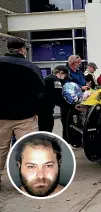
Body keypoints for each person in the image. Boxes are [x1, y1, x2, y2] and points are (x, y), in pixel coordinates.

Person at [0, 37, 44, 189]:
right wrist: (36, 111)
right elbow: (40, 92)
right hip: (25, 116)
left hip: (1, 117)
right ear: (23, 50)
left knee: (0, 149)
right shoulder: (30, 66)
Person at [61, 55, 88, 144]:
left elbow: (83, 81)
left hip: (80, 100)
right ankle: (66, 142)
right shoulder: (66, 72)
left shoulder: (79, 71)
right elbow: (66, 86)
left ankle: (77, 140)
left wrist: (86, 85)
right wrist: (81, 87)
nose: (80, 64)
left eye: (80, 62)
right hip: (69, 102)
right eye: (78, 62)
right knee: (68, 122)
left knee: (78, 121)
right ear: (72, 62)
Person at [38, 65, 69, 132]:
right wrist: (71, 106)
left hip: (40, 110)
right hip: (46, 111)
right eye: (65, 75)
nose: (64, 78)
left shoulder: (48, 78)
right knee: (47, 131)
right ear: (61, 72)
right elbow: (58, 98)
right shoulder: (56, 81)